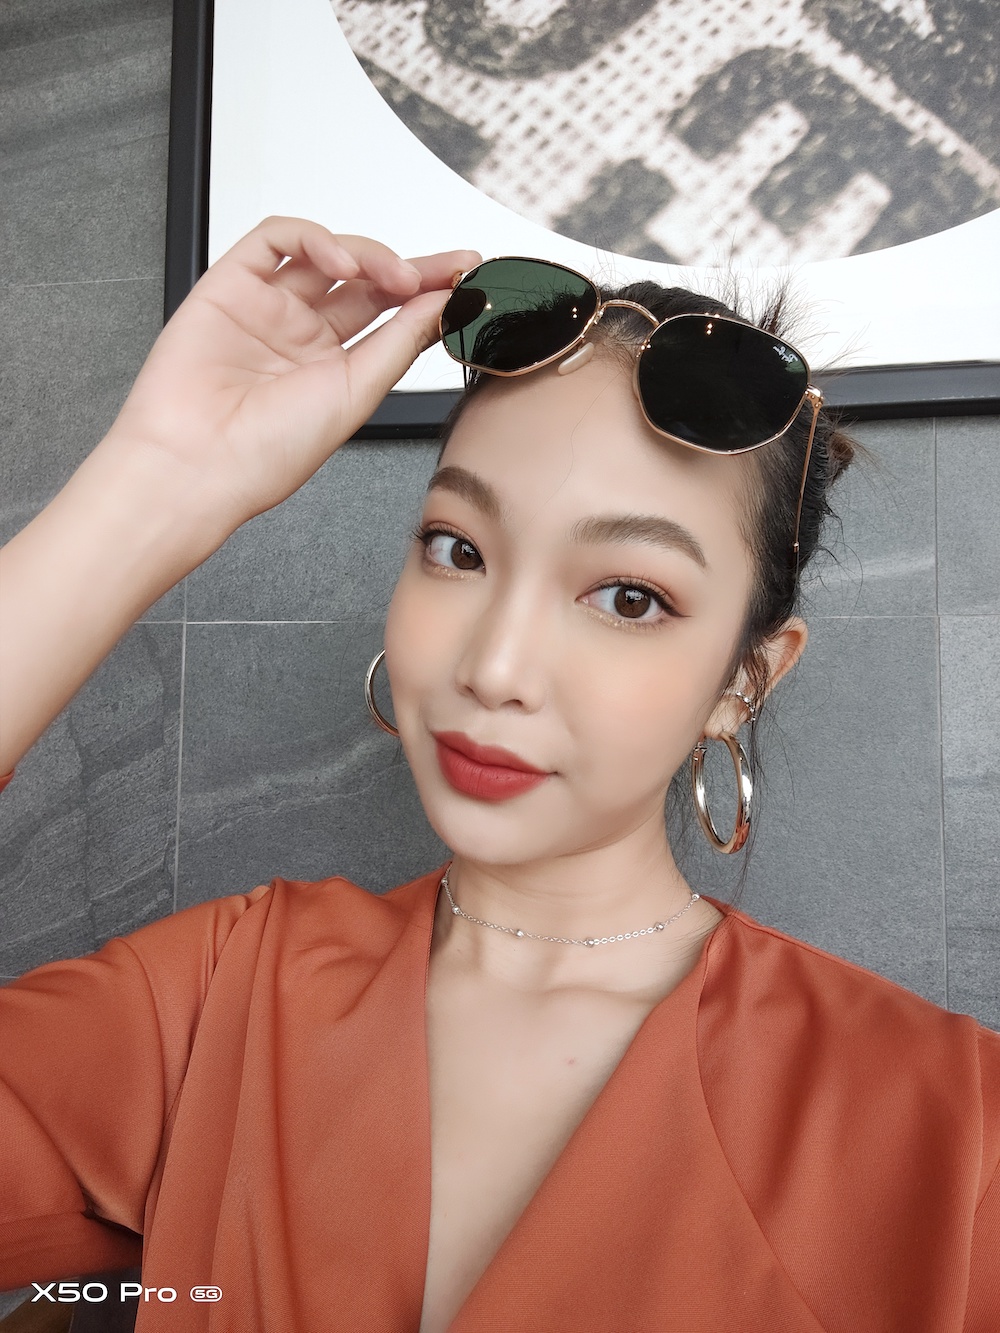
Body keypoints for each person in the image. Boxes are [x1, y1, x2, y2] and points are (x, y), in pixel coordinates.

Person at [0, 217, 996, 1333]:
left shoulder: (950, 1131)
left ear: (744, 678)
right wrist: (156, 482)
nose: (494, 666)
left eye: (629, 596)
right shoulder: (216, 1005)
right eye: (458, 549)